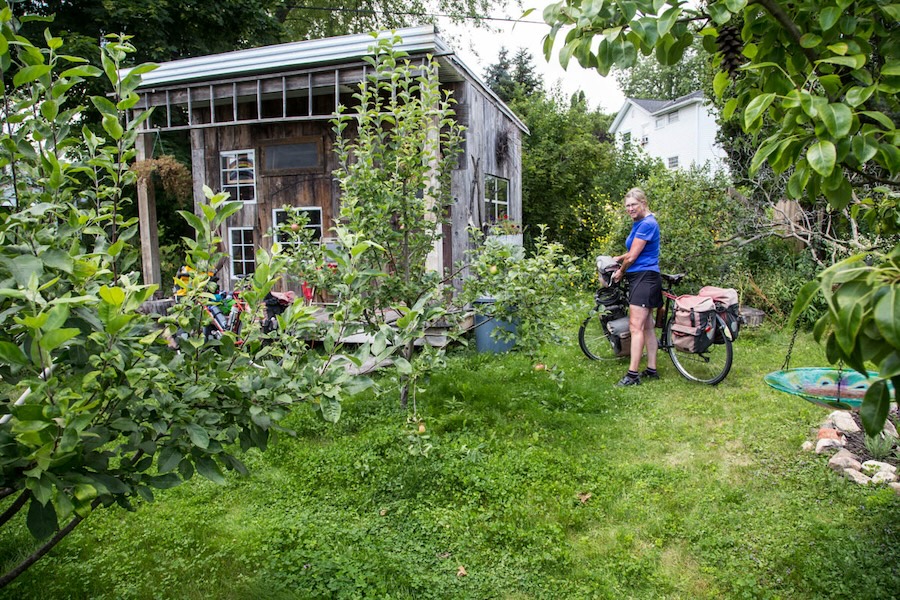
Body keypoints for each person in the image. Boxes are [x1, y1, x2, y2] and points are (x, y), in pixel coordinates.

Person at [611, 188, 662, 386]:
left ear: (643, 203)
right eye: (627, 206)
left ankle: (632, 376)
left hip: (644, 278)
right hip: (646, 277)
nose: (630, 209)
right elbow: (633, 251)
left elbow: (633, 257)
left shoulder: (647, 223)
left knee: (636, 327)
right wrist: (618, 257)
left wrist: (621, 271)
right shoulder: (640, 223)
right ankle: (651, 369)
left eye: (633, 205)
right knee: (648, 326)